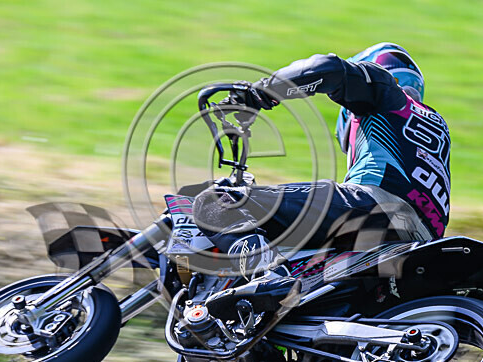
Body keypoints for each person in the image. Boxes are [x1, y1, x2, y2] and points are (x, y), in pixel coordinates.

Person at [193, 42, 451, 319]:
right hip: (422, 239)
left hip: (376, 206)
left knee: (217, 201)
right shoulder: (433, 123)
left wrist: (260, 92)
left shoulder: (385, 93)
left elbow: (328, 69)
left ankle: (267, 275)